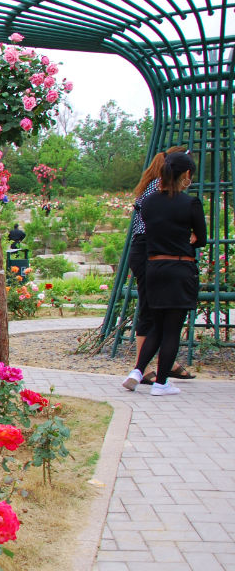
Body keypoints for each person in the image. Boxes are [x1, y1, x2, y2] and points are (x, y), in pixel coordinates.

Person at [122, 152, 206, 396]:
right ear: (186, 175)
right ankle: (160, 384)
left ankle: (137, 370)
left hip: (154, 267)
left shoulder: (147, 202)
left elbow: (152, 231)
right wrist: (186, 238)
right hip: (179, 267)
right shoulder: (190, 203)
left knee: (157, 325)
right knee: (172, 329)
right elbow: (200, 238)